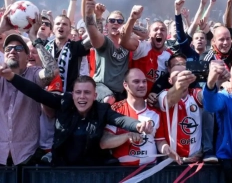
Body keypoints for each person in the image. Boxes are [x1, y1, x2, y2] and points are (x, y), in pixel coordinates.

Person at [0, 66, 153, 166]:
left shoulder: (102, 109)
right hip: (62, 170)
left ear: (95, 95)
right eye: (78, 92)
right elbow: (37, 93)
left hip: (92, 171)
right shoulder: (64, 103)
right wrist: (12, 77)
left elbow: (120, 119)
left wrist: (137, 125)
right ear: (72, 95)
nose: (82, 97)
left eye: (87, 93)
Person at [0, 31, 59, 165]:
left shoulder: (33, 74)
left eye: (19, 48)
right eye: (8, 48)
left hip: (27, 156)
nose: (13, 51)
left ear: (28, 57)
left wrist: (36, 41)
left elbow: (53, 71)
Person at [100, 68, 181, 166]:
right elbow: (104, 143)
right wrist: (127, 136)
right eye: (136, 82)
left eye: (144, 81)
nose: (142, 85)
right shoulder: (116, 110)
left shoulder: (155, 112)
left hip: (150, 169)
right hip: (123, 172)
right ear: (126, 85)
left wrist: (167, 149)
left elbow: (160, 141)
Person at [120, 4, 171, 96]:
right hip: (136, 99)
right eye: (155, 30)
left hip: (156, 102)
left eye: (162, 30)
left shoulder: (170, 56)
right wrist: (132, 18)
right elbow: (124, 42)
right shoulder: (142, 47)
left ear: (167, 35)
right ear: (149, 34)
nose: (159, 32)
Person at [157, 65, 204, 162]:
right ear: (170, 80)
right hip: (171, 161)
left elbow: (206, 97)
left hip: (195, 160)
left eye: (184, 74)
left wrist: (214, 83)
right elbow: (170, 99)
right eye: (177, 75)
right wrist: (180, 84)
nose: (182, 77)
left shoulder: (195, 93)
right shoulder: (163, 94)